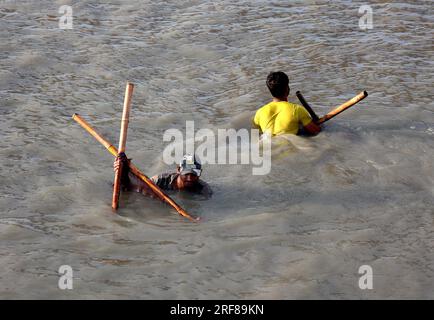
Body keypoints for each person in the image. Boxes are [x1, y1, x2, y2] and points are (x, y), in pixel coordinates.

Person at [253, 71, 321, 136]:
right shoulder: (296, 110)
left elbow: (257, 137)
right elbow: (316, 131)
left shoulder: (259, 113)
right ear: (287, 88)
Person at [113, 153, 212, 198]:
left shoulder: (204, 190)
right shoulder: (160, 180)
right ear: (178, 170)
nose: (190, 178)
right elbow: (134, 188)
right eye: (186, 174)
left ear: (200, 174)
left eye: (194, 175)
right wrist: (123, 171)